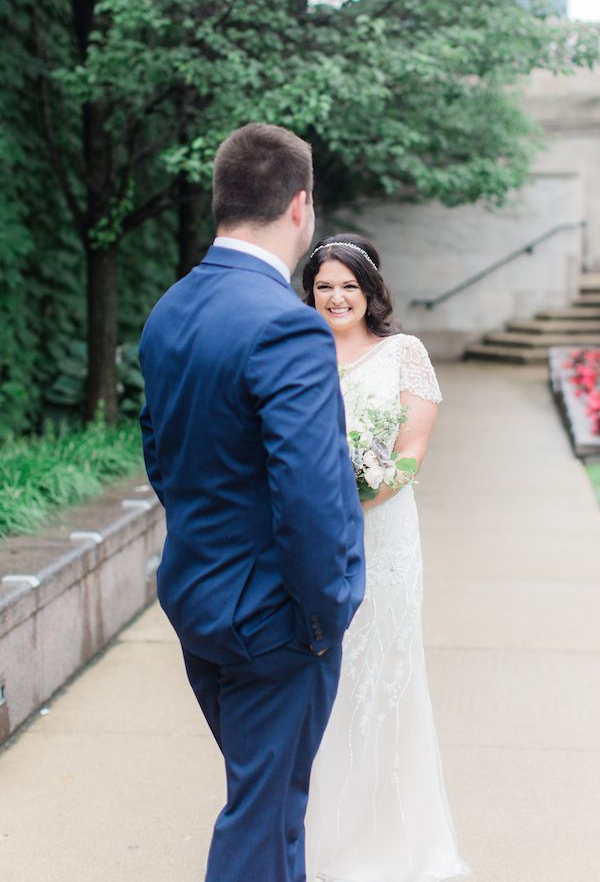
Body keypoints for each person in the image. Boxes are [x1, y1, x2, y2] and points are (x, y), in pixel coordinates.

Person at [138, 126, 365, 882]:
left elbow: (160, 457)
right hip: (274, 623)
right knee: (261, 822)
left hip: (199, 601)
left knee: (271, 806)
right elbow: (313, 497)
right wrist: (323, 615)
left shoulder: (170, 309)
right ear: (301, 205)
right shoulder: (287, 324)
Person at [302, 234, 469, 882]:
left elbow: (411, 449)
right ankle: (318, 834)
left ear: (371, 291)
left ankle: (389, 840)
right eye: (324, 286)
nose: (337, 297)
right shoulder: (299, 352)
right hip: (312, 537)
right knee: (322, 673)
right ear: (310, 294)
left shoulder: (403, 353)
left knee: (384, 669)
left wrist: (363, 491)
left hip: (383, 533)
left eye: (348, 285)